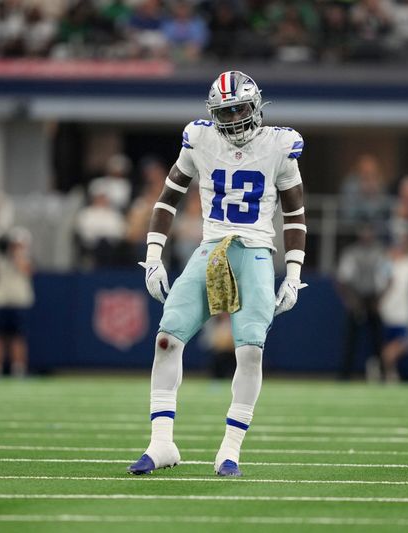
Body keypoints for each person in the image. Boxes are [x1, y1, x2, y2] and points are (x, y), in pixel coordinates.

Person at [128, 71, 307, 477]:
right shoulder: (200, 138)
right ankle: (161, 443)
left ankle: (229, 451)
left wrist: (293, 272)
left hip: (257, 251)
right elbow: (168, 198)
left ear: (257, 105)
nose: (235, 118)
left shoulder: (279, 145)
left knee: (249, 350)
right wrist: (153, 255)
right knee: (165, 339)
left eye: (241, 108)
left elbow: (295, 216)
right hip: (211, 249)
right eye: (226, 112)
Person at [0, 227, 34, 378]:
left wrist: (16, 255)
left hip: (18, 301)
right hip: (0, 300)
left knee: (18, 336)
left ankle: (18, 368)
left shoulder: (25, 257)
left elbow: (27, 270)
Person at [377, 233, 408, 382]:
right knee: (396, 342)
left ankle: (387, 369)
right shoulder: (387, 264)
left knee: (402, 343)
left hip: (403, 311)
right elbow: (381, 284)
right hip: (388, 309)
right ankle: (384, 366)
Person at [336, 223, 384, 381]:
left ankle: (381, 372)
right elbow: (342, 279)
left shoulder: (380, 252)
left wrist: (379, 299)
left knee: (377, 340)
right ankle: (345, 373)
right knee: (351, 340)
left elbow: (389, 277)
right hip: (356, 297)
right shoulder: (352, 252)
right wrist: (351, 301)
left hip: (373, 298)